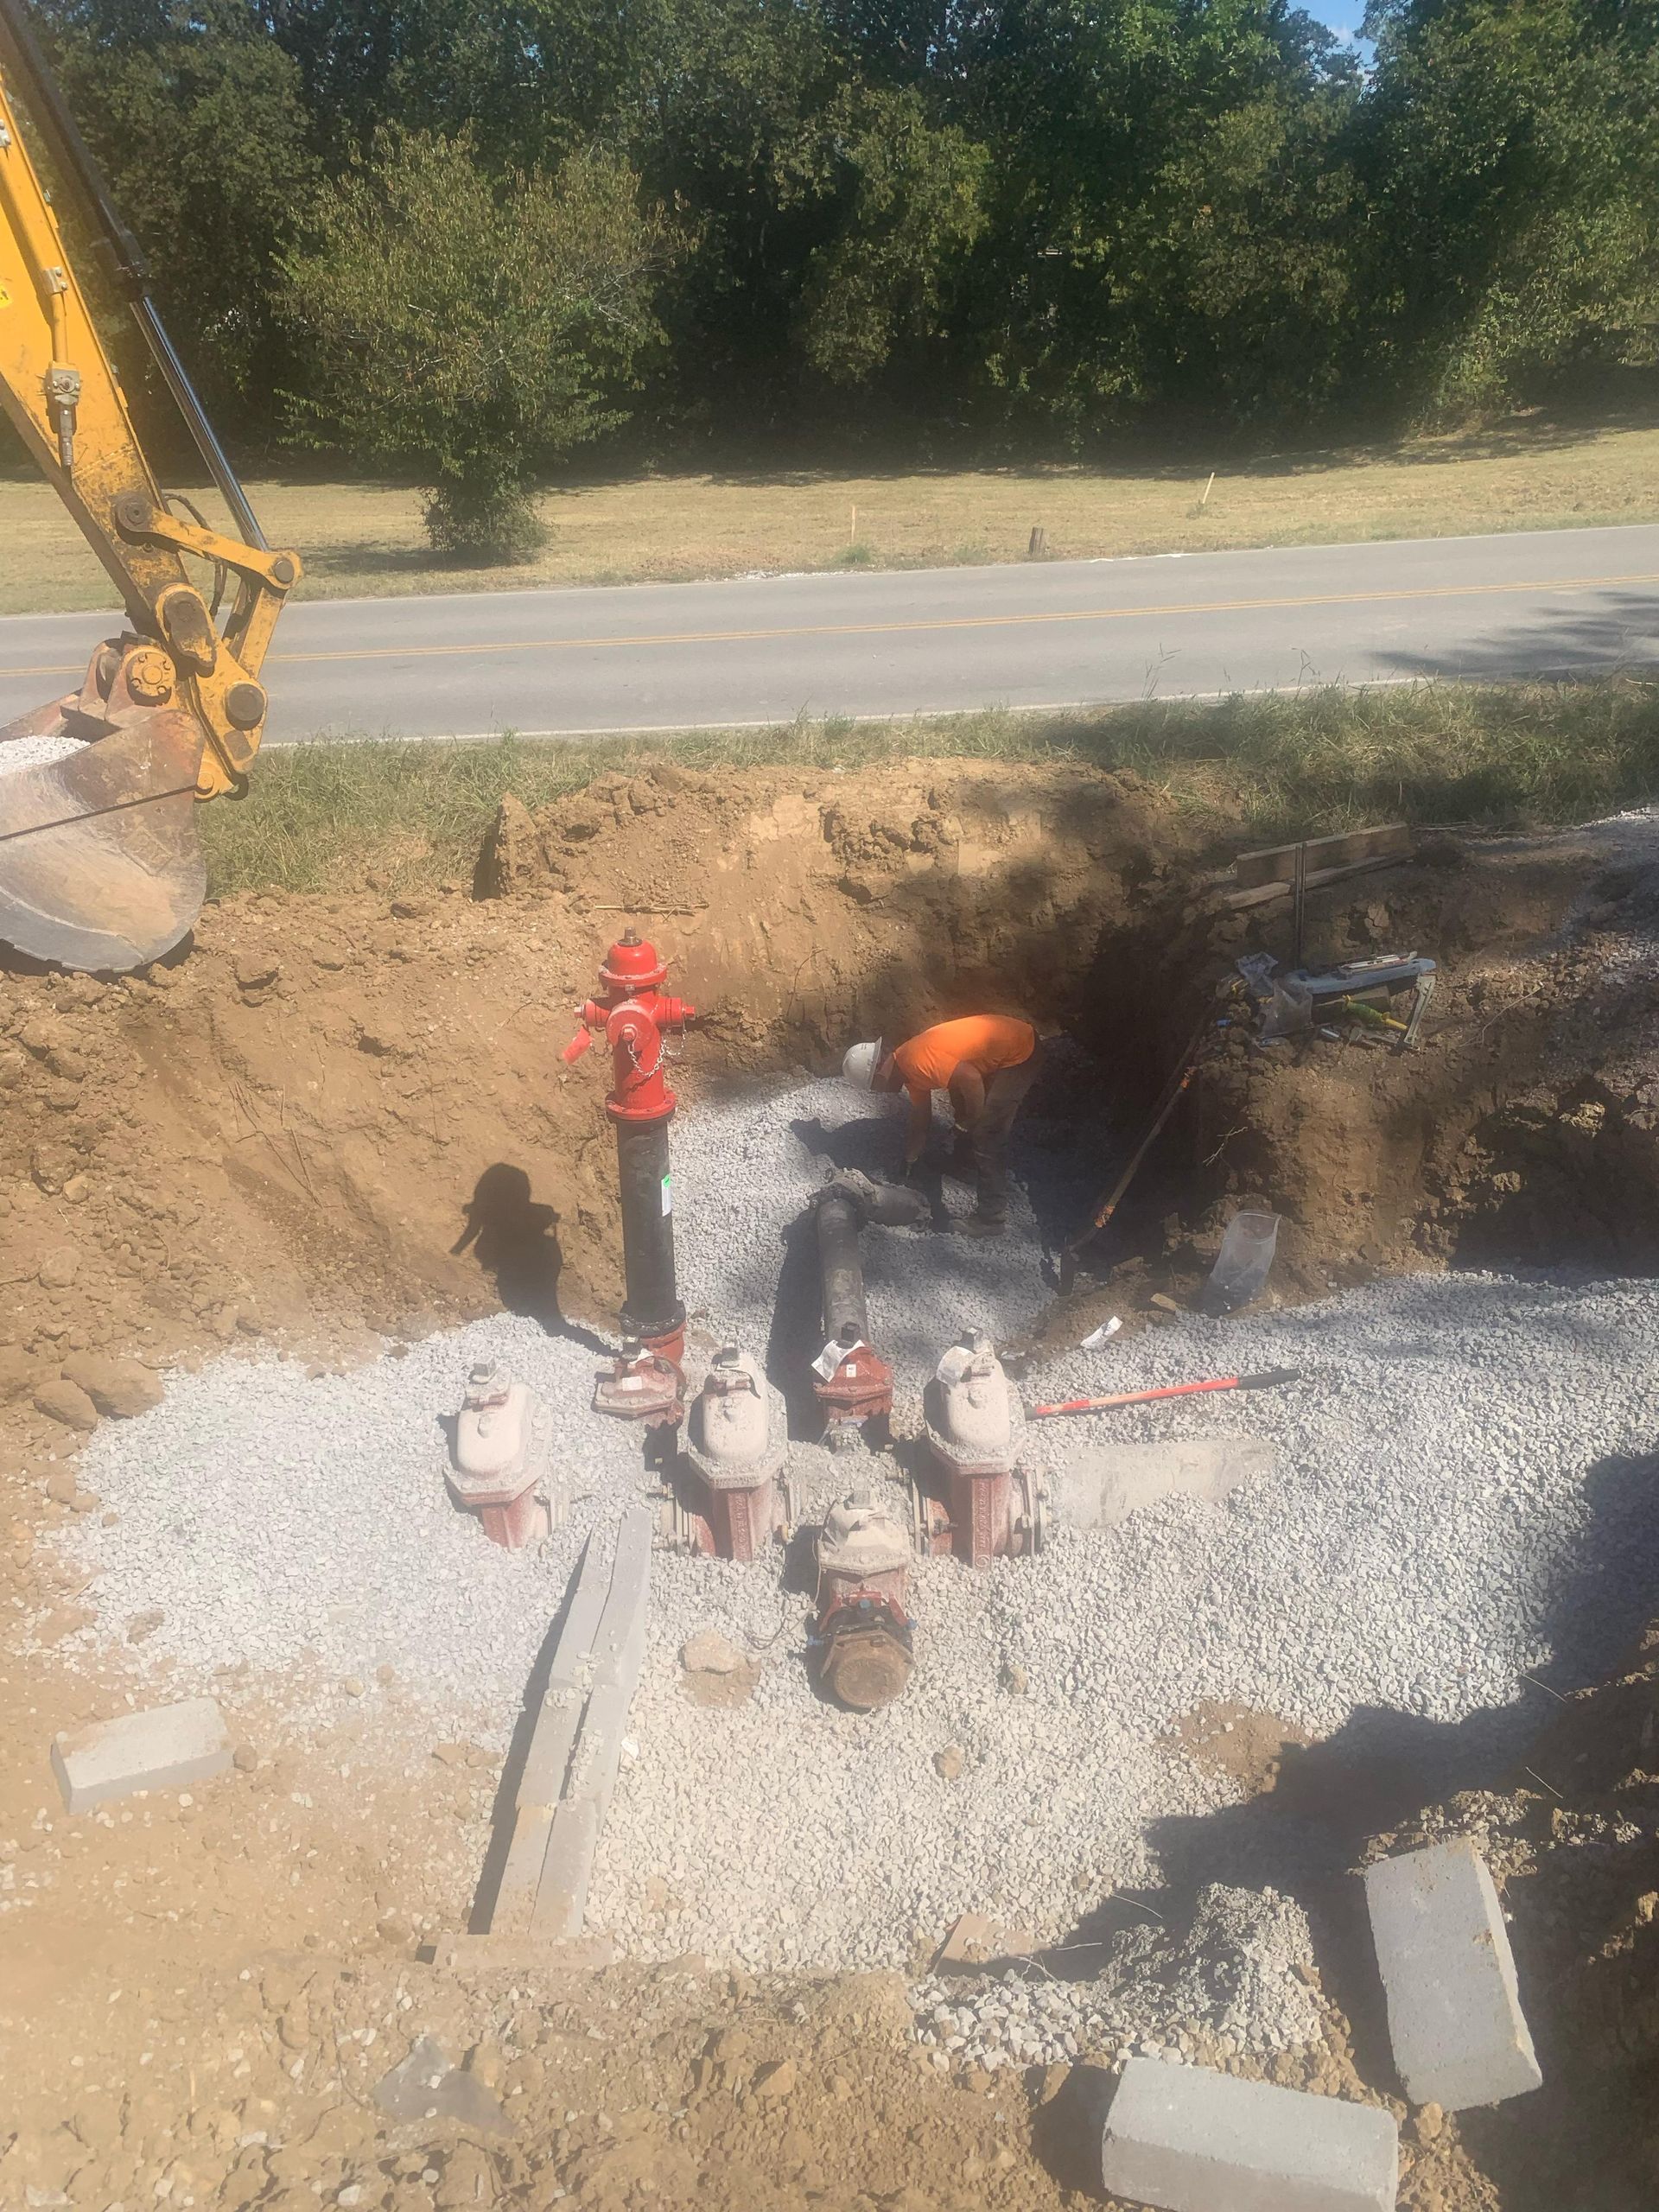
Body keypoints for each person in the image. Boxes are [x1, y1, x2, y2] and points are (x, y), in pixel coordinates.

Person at [843, 1015, 1043, 1236]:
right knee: (960, 1097)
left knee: (987, 1133)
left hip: (1021, 1051)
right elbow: (921, 1119)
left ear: (879, 1073)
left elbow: (972, 1079)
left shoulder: (916, 1062)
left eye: (874, 1087)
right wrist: (910, 1161)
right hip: (1004, 1046)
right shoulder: (907, 1068)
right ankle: (965, 1165)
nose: (879, 1092)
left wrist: (969, 1122)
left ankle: (991, 1218)